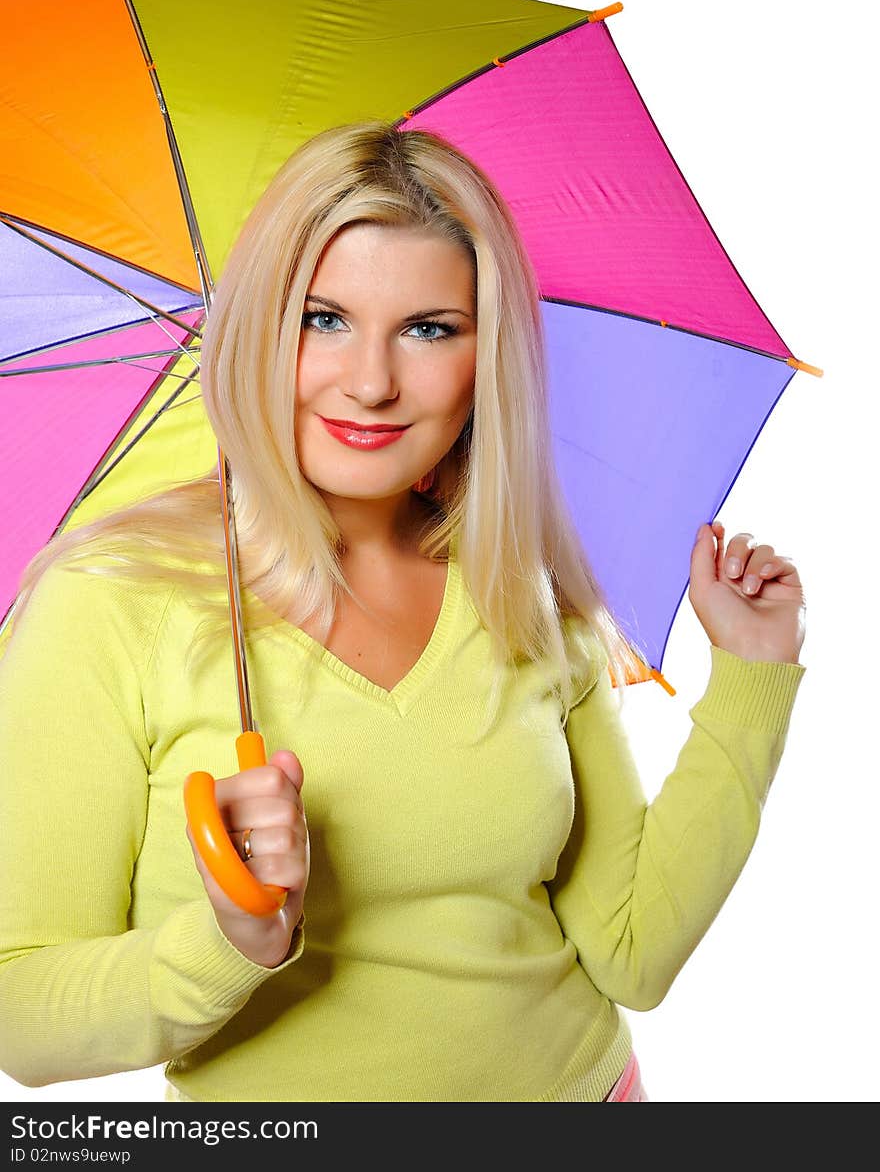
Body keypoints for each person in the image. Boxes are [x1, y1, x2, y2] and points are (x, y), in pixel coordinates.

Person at [0, 121, 807, 1103]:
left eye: (430, 328)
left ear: (485, 358)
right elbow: (23, 1024)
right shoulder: (110, 600)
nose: (372, 381)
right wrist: (226, 941)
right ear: (258, 327)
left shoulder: (516, 587)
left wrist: (753, 675)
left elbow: (631, 950)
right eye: (323, 318)